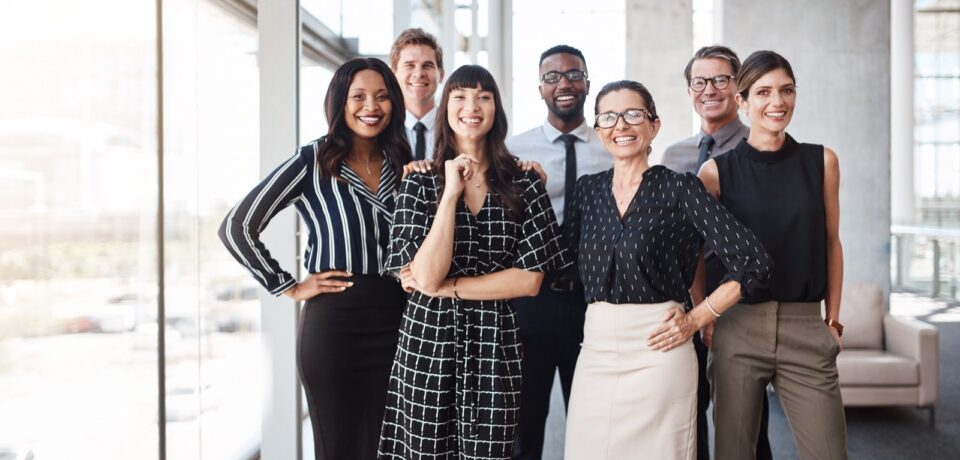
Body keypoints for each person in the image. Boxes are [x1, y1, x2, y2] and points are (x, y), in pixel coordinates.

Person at [562, 80, 773, 459]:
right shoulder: (587, 191)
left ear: (654, 126)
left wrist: (697, 318)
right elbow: (557, 265)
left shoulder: (680, 188)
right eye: (609, 116)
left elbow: (753, 262)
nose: (621, 125)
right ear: (598, 130)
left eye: (633, 115)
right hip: (595, 350)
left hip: (659, 348)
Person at [218, 57, 411, 460]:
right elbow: (237, 225)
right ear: (340, 103)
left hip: (397, 319)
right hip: (334, 324)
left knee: (390, 449)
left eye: (381, 97)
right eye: (358, 96)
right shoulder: (313, 160)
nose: (370, 107)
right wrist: (288, 285)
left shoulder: (401, 161)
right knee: (336, 447)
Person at [377, 65, 570, 459]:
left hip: (495, 344)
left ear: (496, 108)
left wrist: (451, 289)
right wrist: (450, 195)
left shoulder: (525, 181)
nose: (472, 106)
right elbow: (425, 275)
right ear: (446, 107)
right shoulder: (418, 183)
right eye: (460, 96)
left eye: (483, 97)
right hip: (427, 344)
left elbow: (529, 280)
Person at [700, 50, 847, 460]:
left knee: (829, 453)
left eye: (786, 90)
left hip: (805, 327)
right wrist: (704, 314)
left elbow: (832, 242)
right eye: (763, 92)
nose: (777, 102)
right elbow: (696, 254)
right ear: (742, 102)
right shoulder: (715, 173)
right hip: (738, 326)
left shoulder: (821, 161)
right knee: (734, 453)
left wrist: (832, 321)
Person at [662, 45, 772, 460]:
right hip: (686, 301)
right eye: (699, 81)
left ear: (739, 88)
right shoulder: (674, 155)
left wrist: (717, 308)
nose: (710, 89)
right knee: (688, 419)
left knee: (746, 429)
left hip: (743, 304)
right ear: (689, 90)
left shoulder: (759, 148)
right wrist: (695, 308)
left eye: (721, 79)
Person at [505, 44, 612, 460]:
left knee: (592, 421)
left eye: (573, 75)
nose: (563, 83)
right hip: (532, 299)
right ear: (540, 89)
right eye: (552, 77)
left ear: (587, 83)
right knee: (524, 423)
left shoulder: (611, 146)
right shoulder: (514, 151)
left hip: (592, 301)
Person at [390, 28, 444, 162]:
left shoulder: (456, 129)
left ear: (441, 74)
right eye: (409, 65)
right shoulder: (382, 130)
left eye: (427, 65)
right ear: (393, 75)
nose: (419, 73)